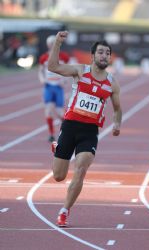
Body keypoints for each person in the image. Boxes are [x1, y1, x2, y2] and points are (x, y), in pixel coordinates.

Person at [48, 31, 122, 227]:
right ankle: (58, 147)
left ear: (110, 57)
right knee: (58, 176)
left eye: (107, 53)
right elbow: (52, 67)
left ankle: (64, 211)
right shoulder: (80, 71)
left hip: (89, 132)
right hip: (70, 127)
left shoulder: (112, 83)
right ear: (93, 56)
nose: (104, 56)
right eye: (100, 52)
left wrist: (117, 123)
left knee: (80, 169)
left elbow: (117, 108)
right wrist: (57, 43)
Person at [38, 35, 70, 142]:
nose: (53, 46)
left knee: (60, 112)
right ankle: (51, 134)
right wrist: (42, 79)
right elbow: (40, 71)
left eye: (55, 43)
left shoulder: (64, 57)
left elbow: (69, 70)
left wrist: (64, 80)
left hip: (58, 87)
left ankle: (67, 131)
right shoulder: (44, 57)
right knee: (48, 111)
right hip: (48, 87)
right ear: (48, 45)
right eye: (51, 44)